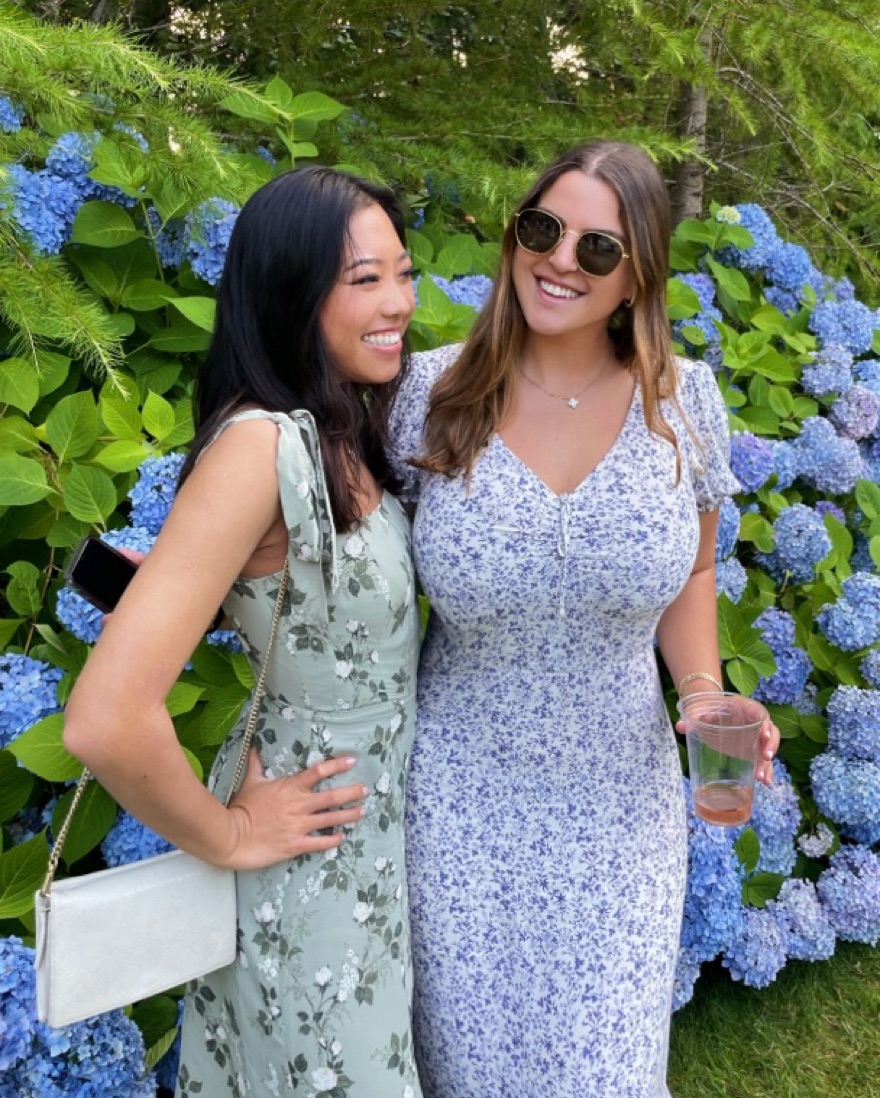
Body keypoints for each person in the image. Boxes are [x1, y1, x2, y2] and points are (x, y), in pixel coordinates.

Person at [388, 140, 780, 1097]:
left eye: (598, 248)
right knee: (468, 1072)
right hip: (459, 806)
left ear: (637, 276)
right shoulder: (432, 393)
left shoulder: (684, 404)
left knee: (606, 1072)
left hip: (621, 808)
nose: (560, 260)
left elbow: (694, 570)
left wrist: (703, 693)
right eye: (543, 230)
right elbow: (355, 563)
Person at [64, 166, 423, 1097]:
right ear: (291, 295)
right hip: (308, 851)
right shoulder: (260, 448)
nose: (399, 303)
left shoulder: (339, 425)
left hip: (370, 844)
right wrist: (226, 836)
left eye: (405, 273)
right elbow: (104, 719)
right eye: (365, 279)